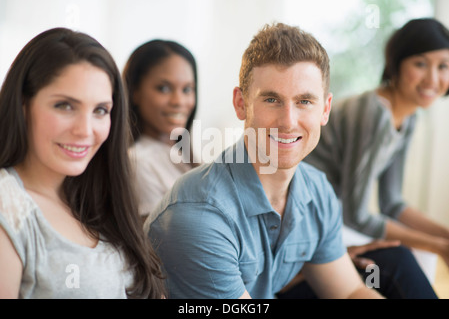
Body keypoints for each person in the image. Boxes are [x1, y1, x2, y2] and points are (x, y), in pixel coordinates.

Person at [147, 22, 384, 299]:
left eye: (305, 101)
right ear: (240, 103)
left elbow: (350, 291)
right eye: (271, 99)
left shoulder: (317, 190)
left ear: (325, 109)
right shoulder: (198, 215)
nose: (288, 121)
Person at [0, 27, 165, 298]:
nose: (85, 130)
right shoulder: (9, 206)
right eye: (65, 106)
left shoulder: (97, 199)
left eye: (100, 110)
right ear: (23, 105)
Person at [304, 18, 449, 269]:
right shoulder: (373, 114)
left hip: (328, 213)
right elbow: (357, 215)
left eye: (444, 66)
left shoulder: (409, 117)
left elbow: (392, 202)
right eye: (420, 64)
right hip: (304, 215)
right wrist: (438, 245)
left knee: (424, 254)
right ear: (395, 64)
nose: (432, 79)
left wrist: (444, 237)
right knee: (416, 256)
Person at [123, 40, 198, 220]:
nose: (178, 101)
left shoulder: (185, 158)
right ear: (135, 92)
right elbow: (159, 242)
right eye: (164, 88)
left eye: (187, 89)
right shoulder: (139, 162)